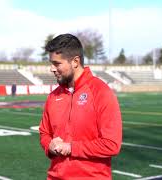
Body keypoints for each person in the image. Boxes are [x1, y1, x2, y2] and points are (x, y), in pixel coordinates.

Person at [39, 34, 122, 179]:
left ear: (75, 61)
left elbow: (111, 144)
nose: (51, 69)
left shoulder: (101, 92)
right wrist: (49, 146)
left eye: (57, 63)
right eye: (51, 63)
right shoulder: (52, 97)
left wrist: (72, 147)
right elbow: (44, 133)